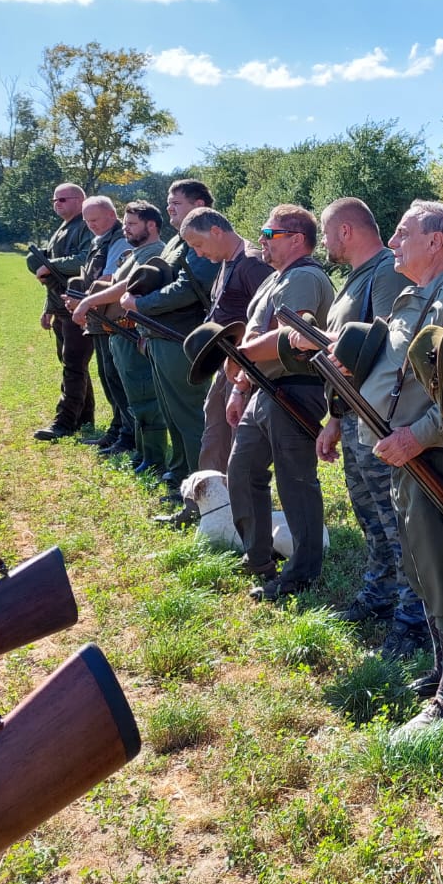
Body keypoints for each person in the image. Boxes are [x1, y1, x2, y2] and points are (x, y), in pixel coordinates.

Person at [299, 201, 443, 732]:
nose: (393, 242)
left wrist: (416, 436)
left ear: (435, 241)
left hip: (436, 456)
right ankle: (441, 669)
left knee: (442, 567)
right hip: (402, 454)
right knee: (418, 564)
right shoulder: (410, 297)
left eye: (404, 233)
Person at [309, 197, 424, 657]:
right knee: (371, 516)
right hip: (353, 413)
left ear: (345, 230)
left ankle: (412, 615)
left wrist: (318, 340)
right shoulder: (356, 277)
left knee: (396, 522)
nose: (324, 242)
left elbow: (389, 351)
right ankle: (380, 593)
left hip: (380, 418)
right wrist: (335, 418)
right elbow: (349, 356)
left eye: (326, 232)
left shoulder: (386, 273)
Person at [227, 204, 335, 601]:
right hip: (264, 389)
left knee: (296, 483)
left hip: (296, 388)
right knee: (242, 470)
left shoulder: (304, 276)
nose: (261, 240)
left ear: (296, 239)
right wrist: (240, 387)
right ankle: (258, 558)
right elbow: (258, 334)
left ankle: (301, 575)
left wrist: (239, 357)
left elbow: (293, 335)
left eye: (269, 234)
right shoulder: (276, 279)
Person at [118, 179, 218, 503]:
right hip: (161, 335)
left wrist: (140, 305)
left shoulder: (203, 235)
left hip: (181, 339)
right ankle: (180, 476)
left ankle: (203, 490)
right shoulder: (177, 240)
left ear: (199, 204)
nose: (169, 208)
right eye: (168, 202)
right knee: (172, 414)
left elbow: (187, 288)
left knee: (190, 417)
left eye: (177, 203)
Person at [175, 206, 274, 478]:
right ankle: (210, 497)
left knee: (235, 443)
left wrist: (243, 379)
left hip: (244, 367)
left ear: (216, 231)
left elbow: (270, 320)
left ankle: (231, 499)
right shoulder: (225, 262)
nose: (198, 253)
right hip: (227, 364)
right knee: (215, 436)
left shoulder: (252, 264)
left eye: (198, 244)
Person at [73, 201, 170, 477]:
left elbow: (127, 286)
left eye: (132, 224)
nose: (125, 229)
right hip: (118, 332)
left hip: (133, 333)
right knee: (133, 399)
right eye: (125, 223)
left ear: (151, 225)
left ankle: (153, 459)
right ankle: (141, 451)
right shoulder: (135, 252)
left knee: (145, 398)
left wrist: (89, 301)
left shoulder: (155, 252)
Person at [29, 182, 93, 441]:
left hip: (78, 305)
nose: (57, 204)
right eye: (55, 200)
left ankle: (64, 422)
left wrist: (50, 265)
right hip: (61, 306)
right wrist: (48, 308)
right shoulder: (63, 228)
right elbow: (52, 278)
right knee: (73, 364)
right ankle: (84, 417)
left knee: (73, 365)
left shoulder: (85, 225)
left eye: (63, 199)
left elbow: (85, 259)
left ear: (79, 200)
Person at [71, 195, 133, 454]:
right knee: (108, 378)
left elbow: (110, 279)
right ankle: (118, 431)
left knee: (116, 379)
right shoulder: (100, 240)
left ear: (111, 214)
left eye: (95, 219)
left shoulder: (120, 240)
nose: (91, 225)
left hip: (113, 319)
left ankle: (127, 436)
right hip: (100, 317)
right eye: (87, 221)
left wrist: (84, 301)